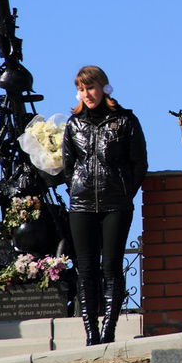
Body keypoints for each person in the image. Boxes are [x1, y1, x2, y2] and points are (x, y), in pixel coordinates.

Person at [62, 66, 148, 345]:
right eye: (82, 89)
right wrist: (76, 188)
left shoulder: (125, 121)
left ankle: (109, 331)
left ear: (104, 88)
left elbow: (139, 163)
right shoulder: (73, 124)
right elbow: (68, 164)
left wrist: (125, 193)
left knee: (111, 267)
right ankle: (91, 334)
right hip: (82, 204)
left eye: (91, 88)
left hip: (116, 204)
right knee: (85, 269)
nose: (87, 94)